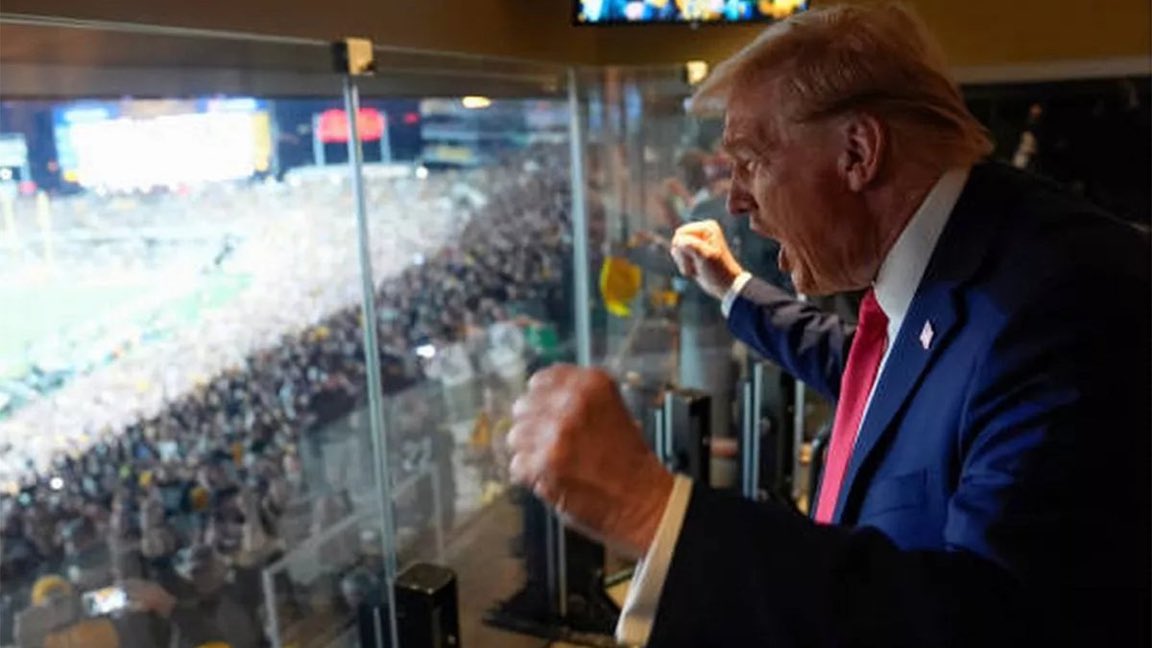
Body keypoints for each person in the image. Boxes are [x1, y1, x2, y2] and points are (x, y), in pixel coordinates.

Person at [505, 4, 1150, 648]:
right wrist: (733, 288)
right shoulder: (973, 250)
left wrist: (648, 511)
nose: (734, 199)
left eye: (750, 160)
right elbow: (880, 375)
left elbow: (991, 620)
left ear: (858, 152)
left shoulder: (1059, 306)